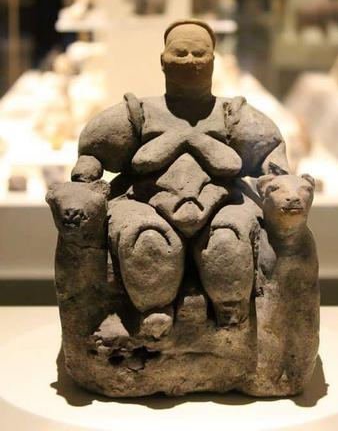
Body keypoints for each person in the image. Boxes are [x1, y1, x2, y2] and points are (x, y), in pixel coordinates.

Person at [69, 20, 289, 333]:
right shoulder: (139, 113)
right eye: (180, 53)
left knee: (227, 240)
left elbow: (269, 149)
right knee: (147, 240)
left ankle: (229, 310)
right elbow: (95, 147)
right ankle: (154, 309)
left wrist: (275, 171)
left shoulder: (230, 114)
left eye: (199, 53)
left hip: (224, 201)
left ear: (212, 61)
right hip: (145, 201)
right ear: (163, 61)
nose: (189, 60)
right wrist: (88, 167)